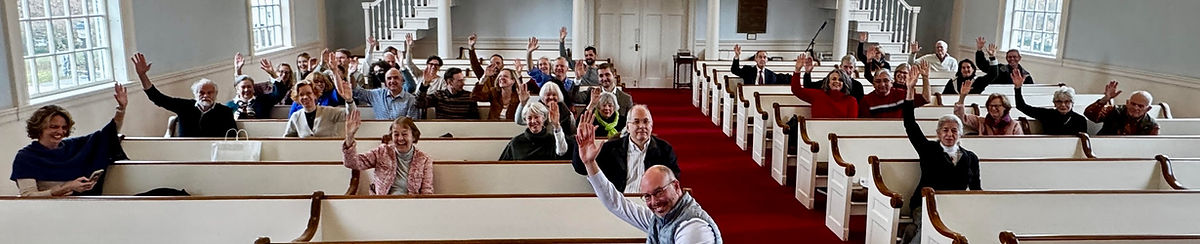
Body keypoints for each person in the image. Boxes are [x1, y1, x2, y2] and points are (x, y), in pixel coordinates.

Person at [575, 110, 721, 243]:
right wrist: (589, 163)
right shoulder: (660, 218)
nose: (654, 202)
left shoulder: (692, 228)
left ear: (676, 186)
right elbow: (615, 203)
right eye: (647, 196)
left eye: (658, 192)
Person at [899, 75, 981, 244]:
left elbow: (975, 189)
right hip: (925, 204)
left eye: (954, 131)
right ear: (938, 133)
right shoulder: (928, 149)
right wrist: (909, 90)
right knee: (929, 228)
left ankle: (909, 233)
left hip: (954, 205)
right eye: (945, 130)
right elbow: (910, 124)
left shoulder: (971, 157)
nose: (949, 134)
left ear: (960, 134)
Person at [11, 83, 129, 197]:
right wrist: (66, 188)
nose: (60, 132)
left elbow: (108, 135)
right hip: (50, 210)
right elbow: (28, 196)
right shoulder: (26, 157)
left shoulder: (74, 146)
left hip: (85, 205)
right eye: (54, 127)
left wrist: (121, 109)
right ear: (39, 128)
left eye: (64, 127)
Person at [571, 105, 681, 192]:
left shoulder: (664, 149)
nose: (642, 126)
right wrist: (581, 143)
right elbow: (581, 168)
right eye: (636, 122)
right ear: (627, 127)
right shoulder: (611, 148)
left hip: (651, 205)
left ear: (651, 126)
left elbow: (673, 178)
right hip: (620, 205)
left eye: (646, 121)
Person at [131, 53, 237, 137]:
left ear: (216, 94)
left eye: (209, 93)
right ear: (195, 94)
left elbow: (232, 137)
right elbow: (158, 98)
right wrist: (142, 75)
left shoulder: (225, 112)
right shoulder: (185, 107)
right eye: (201, 92)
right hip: (185, 152)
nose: (205, 96)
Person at [342, 112, 433, 195]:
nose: (400, 138)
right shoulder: (382, 151)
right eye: (396, 134)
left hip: (410, 205)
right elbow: (352, 163)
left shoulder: (424, 159)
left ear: (413, 137)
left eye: (404, 134)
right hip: (382, 203)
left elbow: (426, 191)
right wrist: (349, 136)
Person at [1011, 71, 1086, 135]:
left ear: (1072, 103)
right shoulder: (1047, 114)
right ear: (1054, 103)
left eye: (1067, 102)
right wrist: (1018, 88)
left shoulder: (1080, 120)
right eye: (1059, 101)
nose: (1063, 105)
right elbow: (1021, 106)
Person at [500, 101, 572, 160]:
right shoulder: (515, 142)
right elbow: (502, 166)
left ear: (543, 118)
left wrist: (556, 125)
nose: (533, 121)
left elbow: (562, 152)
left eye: (536, 117)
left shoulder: (552, 140)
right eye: (529, 118)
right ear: (525, 120)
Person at [1085, 81, 1159, 135]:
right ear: (1127, 103)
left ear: (1148, 109)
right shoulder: (1114, 110)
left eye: (1140, 106)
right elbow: (1090, 115)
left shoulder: (1152, 125)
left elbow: (1150, 146)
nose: (1135, 108)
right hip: (1105, 145)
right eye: (1133, 104)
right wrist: (1105, 99)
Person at [227, 53, 287, 120]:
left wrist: (273, 74)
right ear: (237, 90)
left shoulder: (263, 101)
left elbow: (280, 93)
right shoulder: (230, 106)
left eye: (249, 86)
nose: (246, 90)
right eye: (243, 87)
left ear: (253, 88)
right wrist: (237, 71)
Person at [284, 80, 352, 138]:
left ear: (315, 95)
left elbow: (351, 114)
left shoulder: (329, 111)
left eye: (309, 93)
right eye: (301, 94)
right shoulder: (295, 117)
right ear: (297, 98)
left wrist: (349, 100)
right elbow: (288, 139)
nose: (305, 97)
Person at [348, 67, 423, 120]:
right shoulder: (377, 95)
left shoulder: (411, 100)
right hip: (380, 135)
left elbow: (411, 123)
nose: (392, 81)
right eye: (389, 78)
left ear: (402, 81)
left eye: (396, 78)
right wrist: (351, 75)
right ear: (386, 82)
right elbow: (357, 91)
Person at [953, 80, 1023, 135]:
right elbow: (960, 118)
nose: (993, 108)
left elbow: (1019, 144)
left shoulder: (1014, 125)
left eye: (996, 106)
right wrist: (962, 97)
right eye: (990, 106)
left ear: (1005, 107)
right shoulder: (981, 122)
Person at [860, 64, 931, 118]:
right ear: (874, 84)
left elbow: (926, 99)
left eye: (886, 80)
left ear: (891, 82)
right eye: (878, 81)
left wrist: (925, 78)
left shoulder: (902, 94)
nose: (882, 84)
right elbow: (865, 124)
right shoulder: (866, 100)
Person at [791, 65, 859, 118]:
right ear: (828, 82)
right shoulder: (817, 95)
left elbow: (851, 124)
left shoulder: (851, 101)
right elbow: (797, 90)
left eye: (840, 80)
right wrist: (797, 70)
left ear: (844, 83)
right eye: (834, 79)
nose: (837, 82)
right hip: (816, 133)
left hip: (840, 134)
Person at [416, 68, 480, 119]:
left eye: (463, 80)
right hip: (443, 130)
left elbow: (475, 119)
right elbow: (419, 104)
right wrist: (425, 85)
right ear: (450, 82)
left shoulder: (469, 96)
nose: (463, 83)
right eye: (459, 81)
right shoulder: (439, 95)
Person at [800, 55, 865, 100]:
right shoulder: (829, 81)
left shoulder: (857, 86)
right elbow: (808, 87)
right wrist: (807, 72)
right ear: (840, 66)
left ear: (854, 69)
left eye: (851, 67)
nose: (848, 70)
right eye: (845, 67)